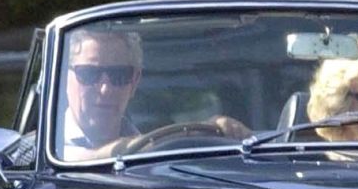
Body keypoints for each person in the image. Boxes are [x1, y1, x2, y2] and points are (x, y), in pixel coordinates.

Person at [61, 28, 246, 161]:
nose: (105, 89)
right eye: (88, 73)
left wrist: (221, 134)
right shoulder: (36, 150)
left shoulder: (158, 157)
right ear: (62, 79)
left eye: (120, 75)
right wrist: (192, 133)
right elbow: (78, 159)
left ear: (134, 82)